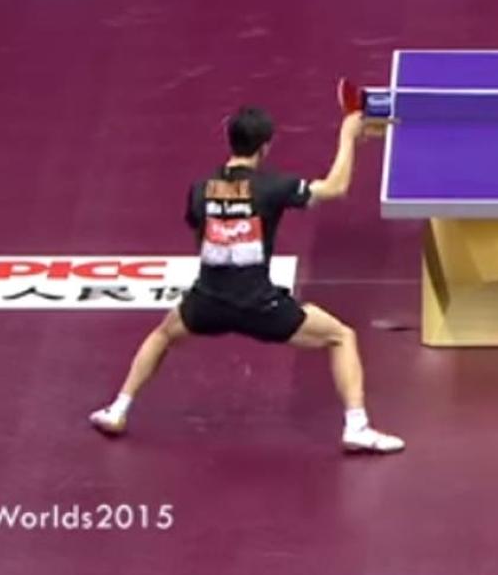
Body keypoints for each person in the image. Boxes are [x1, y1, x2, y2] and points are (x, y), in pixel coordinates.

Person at [88, 106, 404, 454]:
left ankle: (118, 410)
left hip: (208, 301)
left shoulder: (200, 189)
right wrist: (349, 135)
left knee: (162, 335)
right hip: (260, 305)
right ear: (265, 146)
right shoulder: (273, 187)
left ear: (230, 140)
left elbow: (200, 234)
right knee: (341, 336)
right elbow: (335, 187)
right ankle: (357, 427)